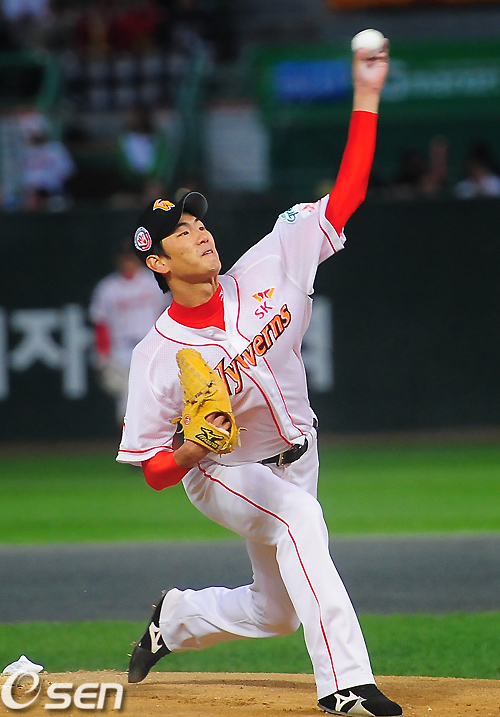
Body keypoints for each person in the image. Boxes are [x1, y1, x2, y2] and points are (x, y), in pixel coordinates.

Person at [117, 40, 403, 717]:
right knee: (300, 519)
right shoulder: (157, 355)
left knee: (276, 611)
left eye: (198, 221)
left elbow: (348, 195)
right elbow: (152, 469)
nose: (199, 232)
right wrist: (192, 449)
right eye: (181, 232)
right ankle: (345, 684)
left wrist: (367, 94)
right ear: (158, 263)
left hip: (300, 451)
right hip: (222, 468)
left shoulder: (273, 261)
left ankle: (175, 618)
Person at [89, 239, 168, 426]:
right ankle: (129, 443)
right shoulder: (107, 288)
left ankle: (163, 443)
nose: (128, 261)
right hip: (122, 350)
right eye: (124, 257)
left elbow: (165, 314)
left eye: (130, 257)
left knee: (161, 402)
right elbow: (101, 324)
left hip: (151, 346)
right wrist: (103, 355)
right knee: (128, 404)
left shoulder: (153, 281)